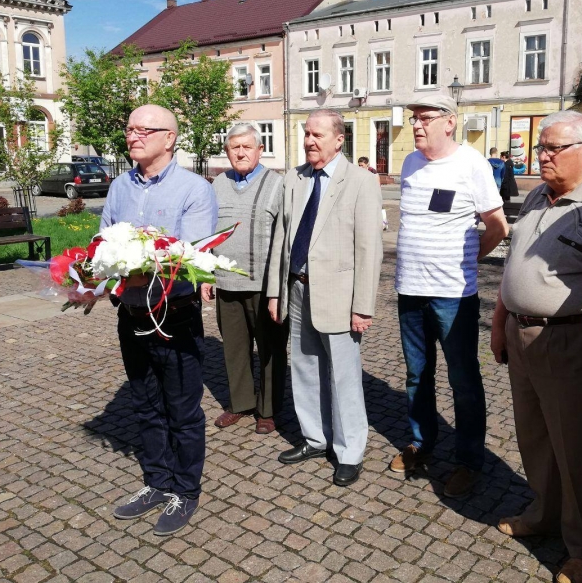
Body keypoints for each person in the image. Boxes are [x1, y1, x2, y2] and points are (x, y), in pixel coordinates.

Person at [490, 111, 582, 583]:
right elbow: (514, 266)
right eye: (540, 147)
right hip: (522, 335)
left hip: (571, 340)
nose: (542, 156)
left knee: (578, 449)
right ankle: (545, 513)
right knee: (535, 437)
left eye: (553, 148)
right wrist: (500, 321)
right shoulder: (538, 193)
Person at [103, 104, 218, 536]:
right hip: (131, 313)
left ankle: (185, 490)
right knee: (145, 404)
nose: (132, 136)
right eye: (129, 129)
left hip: (175, 317)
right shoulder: (119, 186)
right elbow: (102, 243)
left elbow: (188, 258)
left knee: (182, 410)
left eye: (143, 130)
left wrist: (129, 266)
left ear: (169, 138)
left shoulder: (194, 189)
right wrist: (88, 276)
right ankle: (157, 481)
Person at [390, 94, 509, 498]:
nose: (416, 125)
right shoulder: (410, 163)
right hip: (409, 289)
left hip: (453, 295)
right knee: (416, 375)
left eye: (425, 118)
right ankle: (422, 443)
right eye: (414, 118)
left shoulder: (472, 163)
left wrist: (468, 260)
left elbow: (497, 226)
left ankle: (469, 460)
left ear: (449, 122)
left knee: (463, 379)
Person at [266, 108, 383, 487]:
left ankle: (349, 452)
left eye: (317, 135)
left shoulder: (361, 181)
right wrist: (275, 292)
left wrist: (362, 306)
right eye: (306, 134)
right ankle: (315, 438)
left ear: (339, 139)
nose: (309, 141)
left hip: (339, 297)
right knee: (304, 367)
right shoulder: (294, 178)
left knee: (343, 377)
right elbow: (282, 239)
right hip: (297, 289)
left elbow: (369, 248)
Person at [202, 123, 287, 435]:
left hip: (265, 286)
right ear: (227, 151)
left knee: (270, 350)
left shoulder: (277, 184)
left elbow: (285, 238)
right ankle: (241, 403)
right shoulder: (218, 184)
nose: (240, 153)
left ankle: (268, 409)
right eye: (234, 147)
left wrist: (278, 287)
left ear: (260, 150)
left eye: (247, 147)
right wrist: (206, 275)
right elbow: (209, 233)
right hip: (226, 283)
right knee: (235, 349)